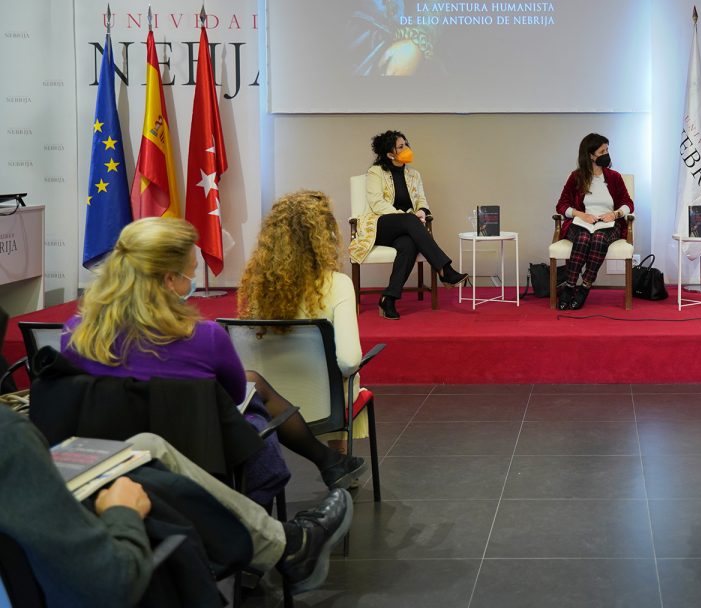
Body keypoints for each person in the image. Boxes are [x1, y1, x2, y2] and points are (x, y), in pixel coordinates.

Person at [60, 217, 366, 491]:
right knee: (254, 393)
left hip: (108, 457)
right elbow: (235, 395)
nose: (192, 281)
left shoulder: (75, 334)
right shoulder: (204, 336)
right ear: (169, 280)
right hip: (196, 454)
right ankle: (326, 462)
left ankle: (329, 461)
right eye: (191, 272)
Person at [0, 405, 351, 604]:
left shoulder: (72, 336)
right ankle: (287, 546)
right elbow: (111, 584)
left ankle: (282, 544)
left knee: (146, 445)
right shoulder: (10, 437)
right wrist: (122, 513)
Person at [240, 190, 368, 445]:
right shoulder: (338, 284)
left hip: (269, 401)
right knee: (343, 383)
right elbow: (349, 362)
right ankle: (338, 455)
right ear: (325, 237)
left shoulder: (261, 287)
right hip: (325, 403)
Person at [348, 130, 467, 320]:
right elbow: (377, 204)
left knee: (409, 245)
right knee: (410, 220)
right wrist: (408, 217)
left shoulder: (414, 175)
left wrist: (422, 212)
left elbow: (422, 201)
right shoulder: (376, 172)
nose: (407, 149)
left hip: (406, 229)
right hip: (380, 225)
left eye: (406, 144)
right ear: (390, 154)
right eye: (401, 147)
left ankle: (388, 299)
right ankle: (444, 270)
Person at [554, 133, 634, 310]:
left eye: (607, 150)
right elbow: (561, 205)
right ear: (591, 155)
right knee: (583, 238)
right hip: (582, 224)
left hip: (608, 225)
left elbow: (628, 203)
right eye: (602, 151)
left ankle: (585, 287)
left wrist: (615, 214)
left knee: (598, 238)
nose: (606, 154)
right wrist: (580, 215)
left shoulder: (614, 177)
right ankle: (569, 286)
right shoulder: (576, 177)